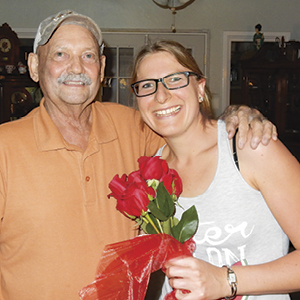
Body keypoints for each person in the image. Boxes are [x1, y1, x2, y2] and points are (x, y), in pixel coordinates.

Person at [0, 10, 275, 300]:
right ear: (33, 66)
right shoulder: (4, 147)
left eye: (89, 56)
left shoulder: (133, 127)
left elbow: (193, 134)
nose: (77, 67)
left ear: (102, 67)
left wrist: (237, 115)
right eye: (60, 54)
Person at [130, 40, 300, 300]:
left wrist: (226, 281)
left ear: (200, 88)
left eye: (175, 79)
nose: (160, 95)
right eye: (146, 85)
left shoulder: (250, 147)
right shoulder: (149, 173)